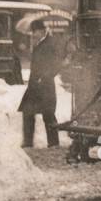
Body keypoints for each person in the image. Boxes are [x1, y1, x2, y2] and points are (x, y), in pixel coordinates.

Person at [18, 18, 62, 148]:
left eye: (34, 31)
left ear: (41, 31)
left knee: (48, 114)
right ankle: (28, 141)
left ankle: (53, 143)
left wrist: (45, 76)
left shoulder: (50, 44)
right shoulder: (39, 43)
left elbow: (56, 64)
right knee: (27, 112)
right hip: (35, 85)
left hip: (45, 86)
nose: (33, 34)